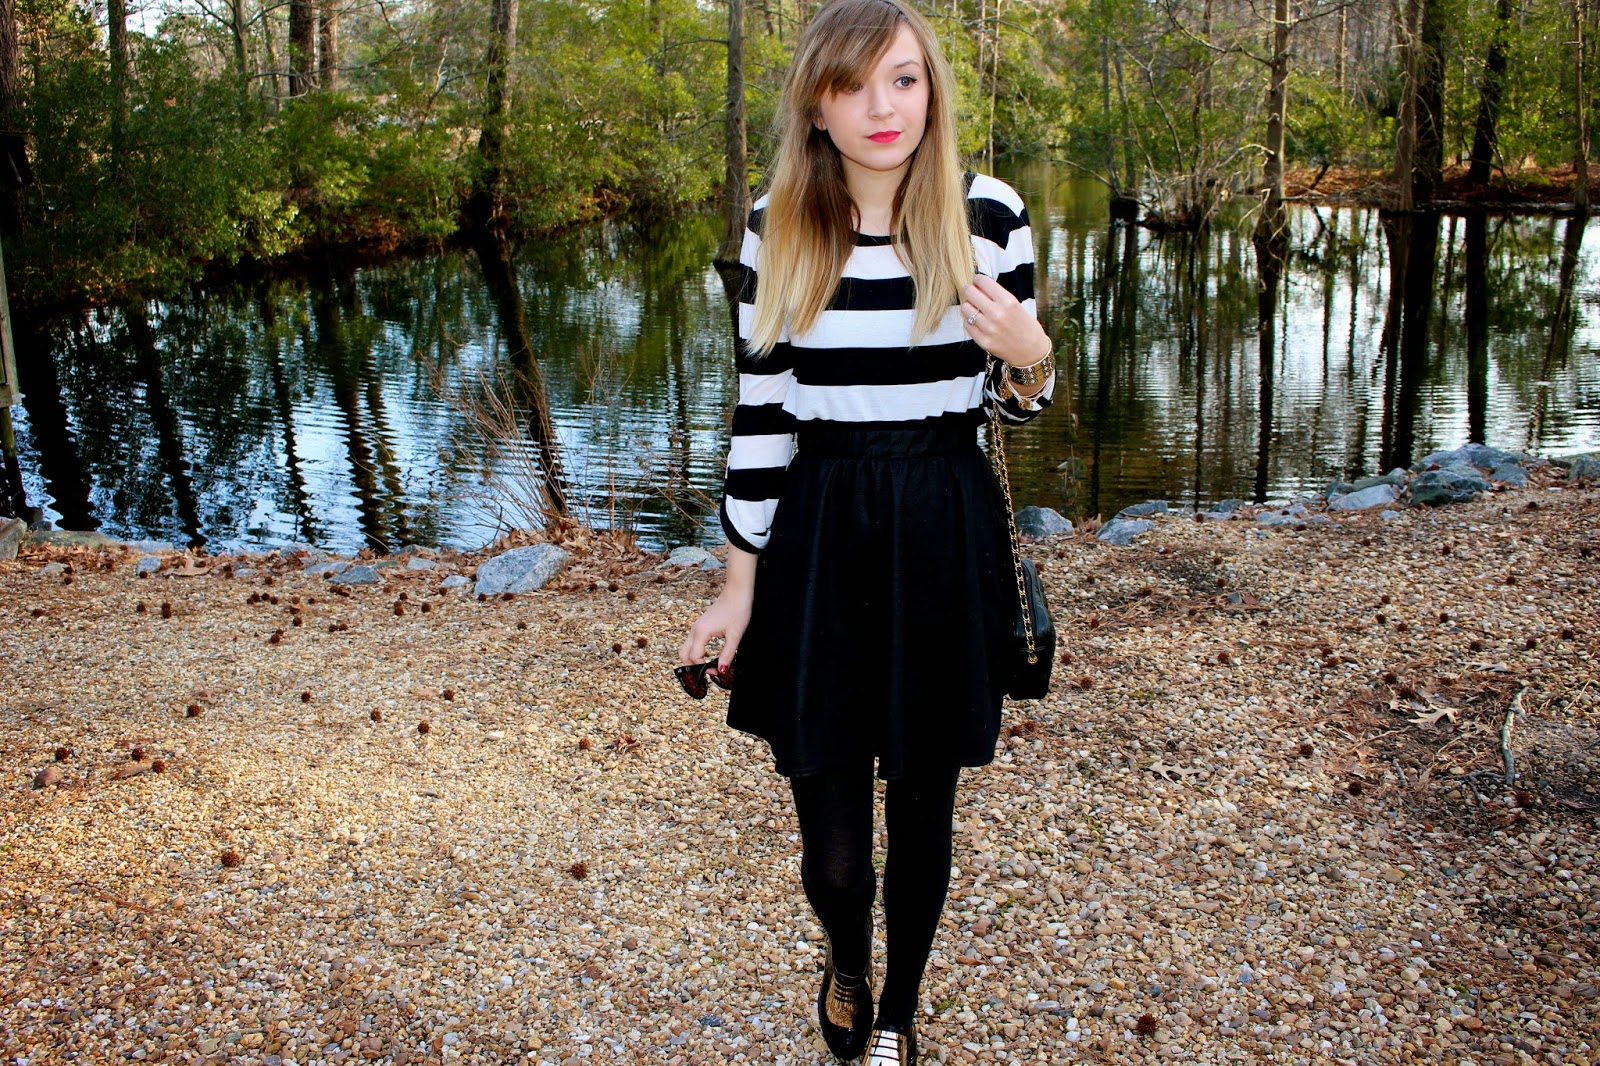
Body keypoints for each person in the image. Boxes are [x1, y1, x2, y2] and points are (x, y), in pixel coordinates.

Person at [677, 0, 1054, 1061]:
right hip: (822, 531)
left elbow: (1018, 405)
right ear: (816, 106)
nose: (882, 107)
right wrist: (737, 586)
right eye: (850, 85)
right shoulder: (779, 224)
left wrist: (1030, 354)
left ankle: (897, 1015)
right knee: (837, 847)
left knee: (924, 806)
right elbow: (762, 417)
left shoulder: (988, 215)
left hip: (943, 524)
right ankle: (847, 956)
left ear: (932, 88)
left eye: (902, 78)